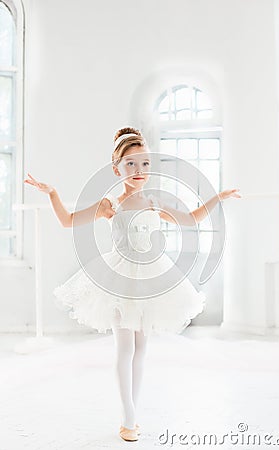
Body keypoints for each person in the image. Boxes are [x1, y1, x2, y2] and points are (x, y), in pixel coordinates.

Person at [24, 127, 241, 442]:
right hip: (119, 279)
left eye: (145, 164)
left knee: (142, 348)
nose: (139, 171)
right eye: (130, 164)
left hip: (152, 279)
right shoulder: (110, 204)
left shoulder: (154, 201)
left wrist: (218, 197)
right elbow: (67, 221)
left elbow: (191, 219)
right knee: (125, 347)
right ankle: (127, 417)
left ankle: (133, 413)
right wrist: (53, 193)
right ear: (116, 169)